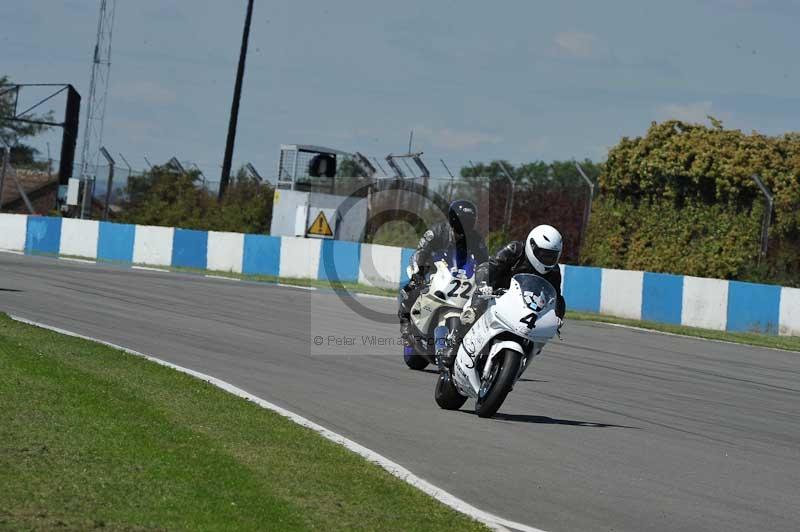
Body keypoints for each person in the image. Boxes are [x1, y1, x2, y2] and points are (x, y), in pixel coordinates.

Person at [440, 224, 567, 367]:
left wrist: (558, 316)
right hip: (496, 293)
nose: (547, 260)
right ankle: (455, 343)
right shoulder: (515, 250)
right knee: (474, 311)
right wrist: (484, 284)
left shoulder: (554, 271)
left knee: (539, 334)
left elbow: (556, 297)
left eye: (552, 256)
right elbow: (490, 266)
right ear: (532, 247)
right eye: (543, 255)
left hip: (524, 306)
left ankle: (517, 363)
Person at [398, 199, 489, 344]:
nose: (464, 225)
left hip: (459, 273)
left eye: (468, 221)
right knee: (412, 286)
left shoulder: (476, 239)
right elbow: (422, 252)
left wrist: (485, 279)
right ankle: (405, 323)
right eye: (462, 221)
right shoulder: (437, 231)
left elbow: (484, 262)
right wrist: (419, 273)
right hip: (431, 265)